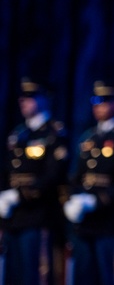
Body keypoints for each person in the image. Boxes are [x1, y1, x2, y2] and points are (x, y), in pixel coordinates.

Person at [63, 81, 114, 285]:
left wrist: (97, 201)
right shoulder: (88, 137)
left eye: (105, 101)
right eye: (96, 101)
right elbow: (76, 176)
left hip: (110, 220)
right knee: (83, 275)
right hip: (85, 221)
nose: (99, 106)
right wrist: (73, 198)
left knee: (108, 276)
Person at [0, 77, 70, 285]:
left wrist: (20, 194)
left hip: (38, 215)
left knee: (34, 275)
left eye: (30, 97)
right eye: (22, 97)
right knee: (12, 274)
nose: (23, 101)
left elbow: (54, 175)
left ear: (45, 99)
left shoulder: (53, 132)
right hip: (13, 218)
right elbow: (5, 170)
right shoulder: (17, 134)